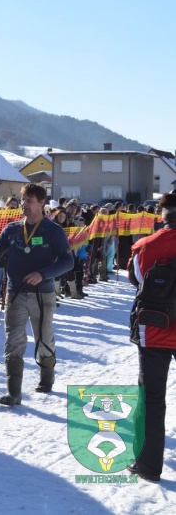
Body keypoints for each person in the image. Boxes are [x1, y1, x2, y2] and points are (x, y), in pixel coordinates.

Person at [0, 183, 73, 406]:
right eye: (23, 200)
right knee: (13, 340)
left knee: (43, 339)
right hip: (15, 293)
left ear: (42, 203)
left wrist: (43, 274)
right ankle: (13, 393)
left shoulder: (53, 230)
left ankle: (47, 378)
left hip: (42, 295)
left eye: (30, 201)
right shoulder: (12, 229)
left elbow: (68, 261)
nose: (24, 205)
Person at [126, 193, 176, 482]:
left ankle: (147, 465)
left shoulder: (145, 245)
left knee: (151, 398)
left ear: (162, 215)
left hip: (155, 329)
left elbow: (136, 279)